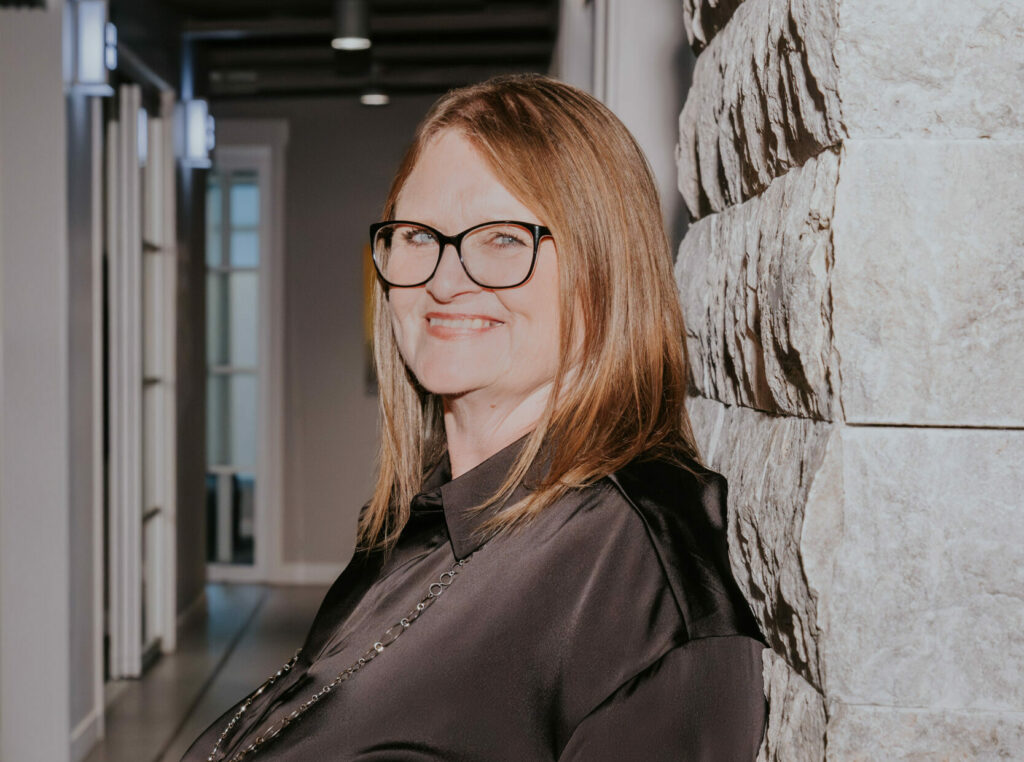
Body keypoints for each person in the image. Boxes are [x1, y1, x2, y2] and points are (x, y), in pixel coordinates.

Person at [184, 73, 767, 762]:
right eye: (417, 235)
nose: (442, 279)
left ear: (603, 268)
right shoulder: (419, 519)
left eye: (502, 239)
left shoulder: (640, 584)